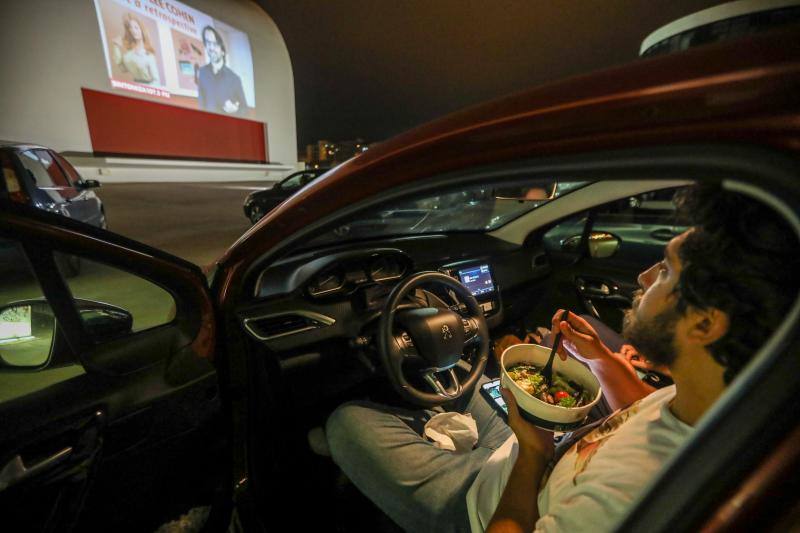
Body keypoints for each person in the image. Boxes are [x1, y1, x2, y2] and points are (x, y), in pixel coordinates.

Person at [325, 184, 799, 532]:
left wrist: (533, 452)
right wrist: (598, 359)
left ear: (704, 324)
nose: (644, 277)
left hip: (479, 505)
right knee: (460, 383)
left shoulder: (622, 501)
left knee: (345, 421)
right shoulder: (713, 405)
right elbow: (644, 406)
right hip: (527, 455)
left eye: (667, 270)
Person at [197, 26, 247, 116]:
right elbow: (201, 104)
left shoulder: (235, 79)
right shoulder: (202, 72)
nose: (211, 48)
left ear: (223, 51)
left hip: (226, 128)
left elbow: (244, 109)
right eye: (208, 43)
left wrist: (235, 110)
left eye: (215, 44)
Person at [112, 13, 161, 86]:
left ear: (142, 30)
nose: (133, 31)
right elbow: (123, 69)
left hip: (148, 90)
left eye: (136, 27)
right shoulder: (128, 55)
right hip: (135, 88)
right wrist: (116, 47)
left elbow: (156, 80)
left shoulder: (149, 55)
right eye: (131, 28)